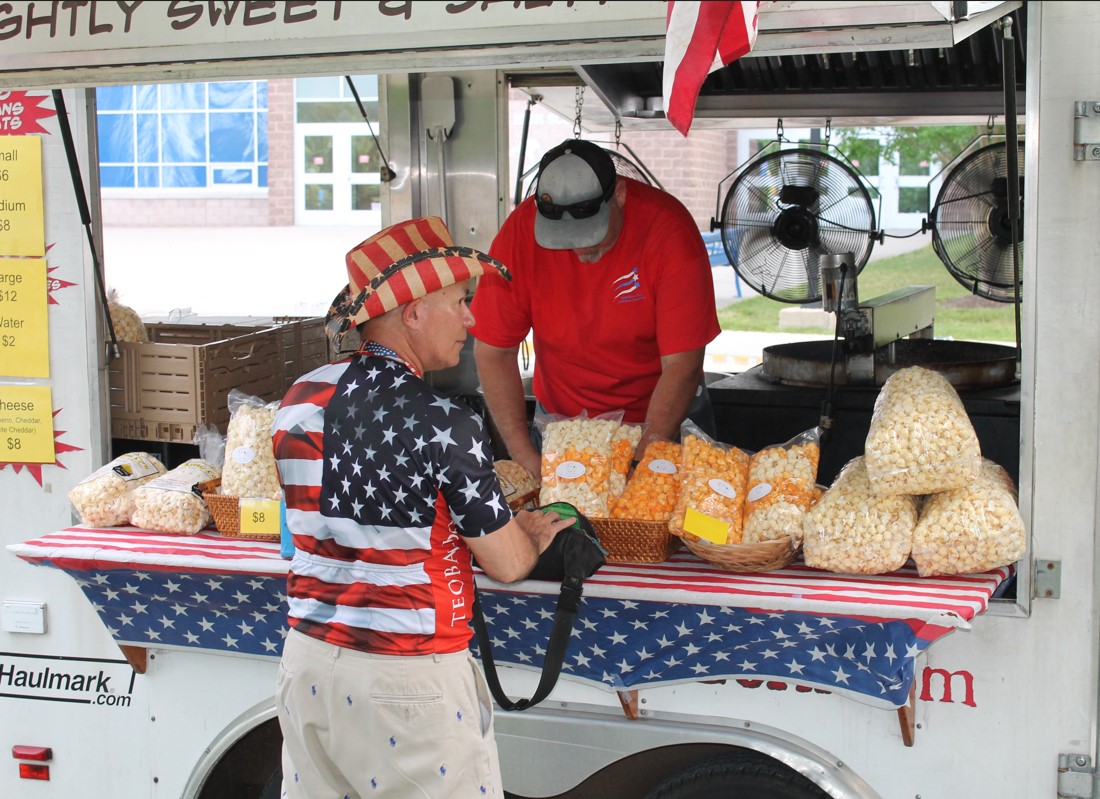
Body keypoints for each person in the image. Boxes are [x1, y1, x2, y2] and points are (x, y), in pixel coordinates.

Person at [271, 216, 573, 799]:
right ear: (411, 312)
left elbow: (340, 522)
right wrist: (531, 530)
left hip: (308, 664)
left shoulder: (298, 399)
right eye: (460, 301)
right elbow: (508, 563)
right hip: (407, 679)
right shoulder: (444, 422)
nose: (471, 319)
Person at [470, 138, 721, 481]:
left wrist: (640, 459)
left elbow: (682, 366)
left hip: (663, 419)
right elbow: (493, 351)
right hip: (560, 428)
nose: (580, 248)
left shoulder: (669, 230)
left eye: (593, 232)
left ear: (618, 194)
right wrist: (524, 455)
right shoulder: (519, 232)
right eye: (564, 238)